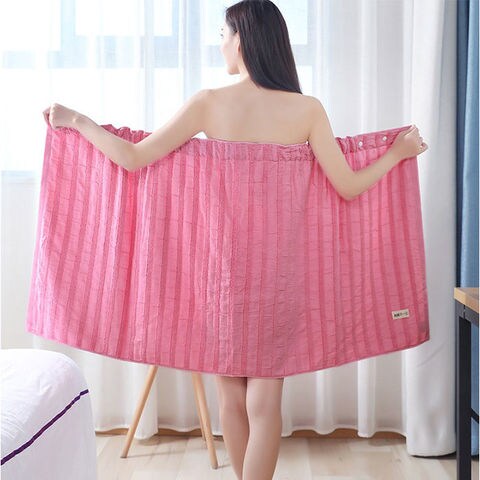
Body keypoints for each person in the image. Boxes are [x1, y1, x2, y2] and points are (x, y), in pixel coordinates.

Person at [43, 1, 428, 478]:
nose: (220, 43)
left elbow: (134, 158)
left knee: (231, 397)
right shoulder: (306, 109)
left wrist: (77, 121)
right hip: (279, 277)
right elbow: (348, 187)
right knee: (265, 402)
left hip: (221, 277)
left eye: (223, 34)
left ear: (241, 38)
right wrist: (396, 155)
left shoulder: (209, 102)